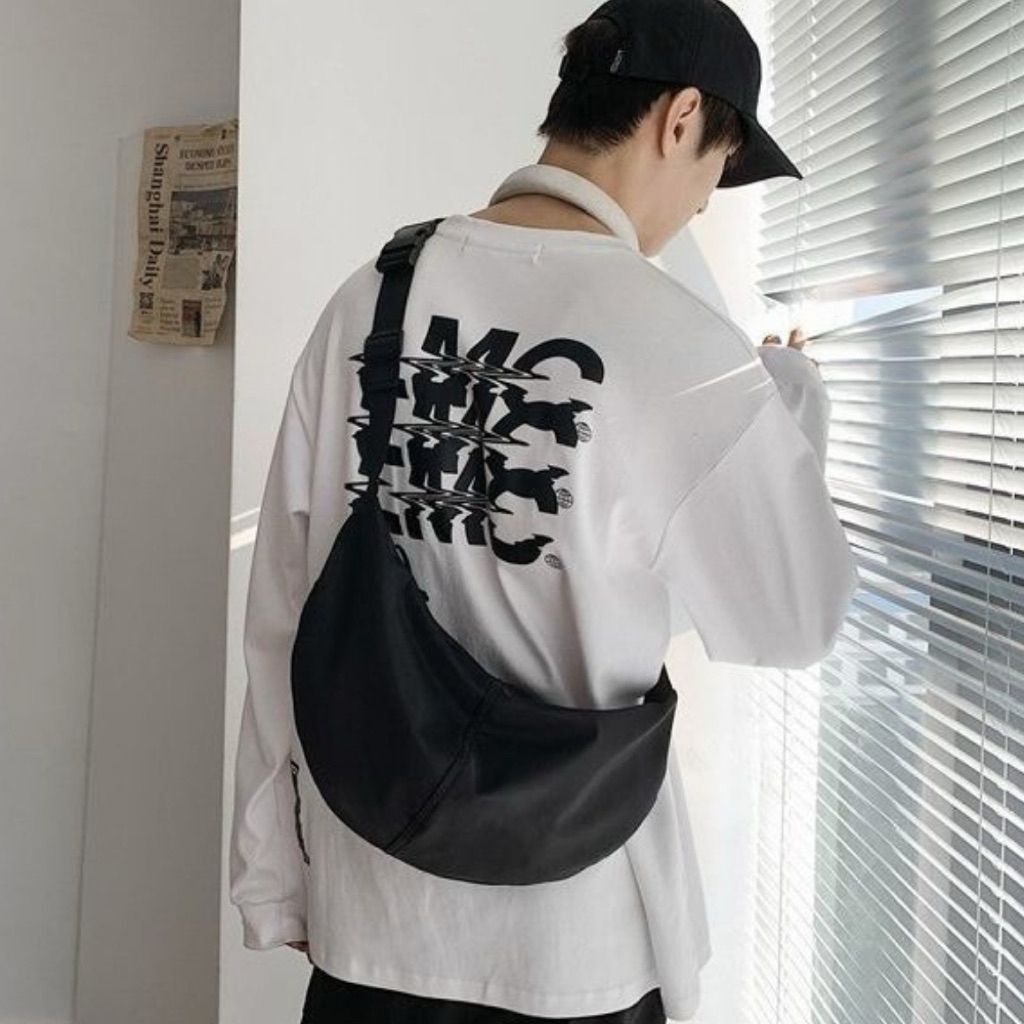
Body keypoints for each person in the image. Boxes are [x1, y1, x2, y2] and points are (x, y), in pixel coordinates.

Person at [228, 1, 859, 1022]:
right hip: (575, 938)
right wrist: (793, 406)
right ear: (681, 118)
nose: (705, 201)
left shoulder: (371, 296)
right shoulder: (682, 350)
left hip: (373, 909)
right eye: (720, 165)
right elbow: (791, 621)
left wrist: (273, 872)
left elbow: (285, 611)